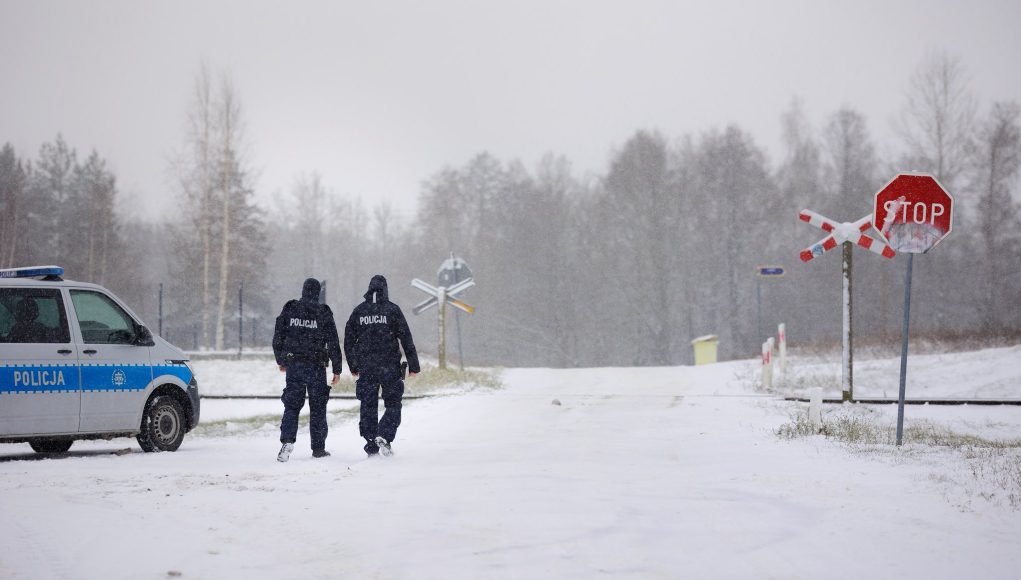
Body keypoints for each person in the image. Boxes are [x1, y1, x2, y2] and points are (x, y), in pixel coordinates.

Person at [344, 275, 420, 457]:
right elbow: (406, 338)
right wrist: (413, 365)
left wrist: (353, 365)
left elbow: (348, 341)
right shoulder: (392, 310)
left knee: (368, 405)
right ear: (385, 289)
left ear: (369, 289)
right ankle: (384, 435)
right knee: (393, 403)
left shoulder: (359, 311)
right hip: (390, 367)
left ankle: (371, 443)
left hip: (367, 367)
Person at [272, 278, 342, 462]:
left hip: (294, 366)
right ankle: (318, 449)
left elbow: (278, 334)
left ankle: (287, 441)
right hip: (316, 367)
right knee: (318, 408)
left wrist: (281, 359)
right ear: (317, 292)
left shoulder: (290, 308)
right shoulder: (323, 312)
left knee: (292, 405)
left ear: (303, 290)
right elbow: (333, 341)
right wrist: (337, 368)